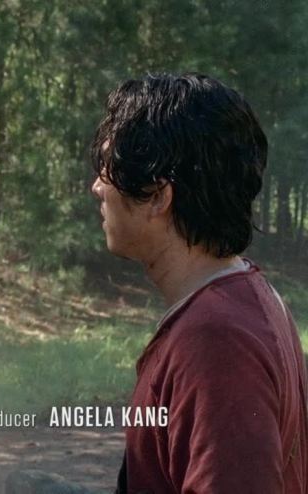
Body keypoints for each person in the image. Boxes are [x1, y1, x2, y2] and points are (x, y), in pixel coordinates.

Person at [90, 73, 308, 493]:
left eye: (107, 169)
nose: (97, 187)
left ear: (158, 195)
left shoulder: (216, 339)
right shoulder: (242, 297)